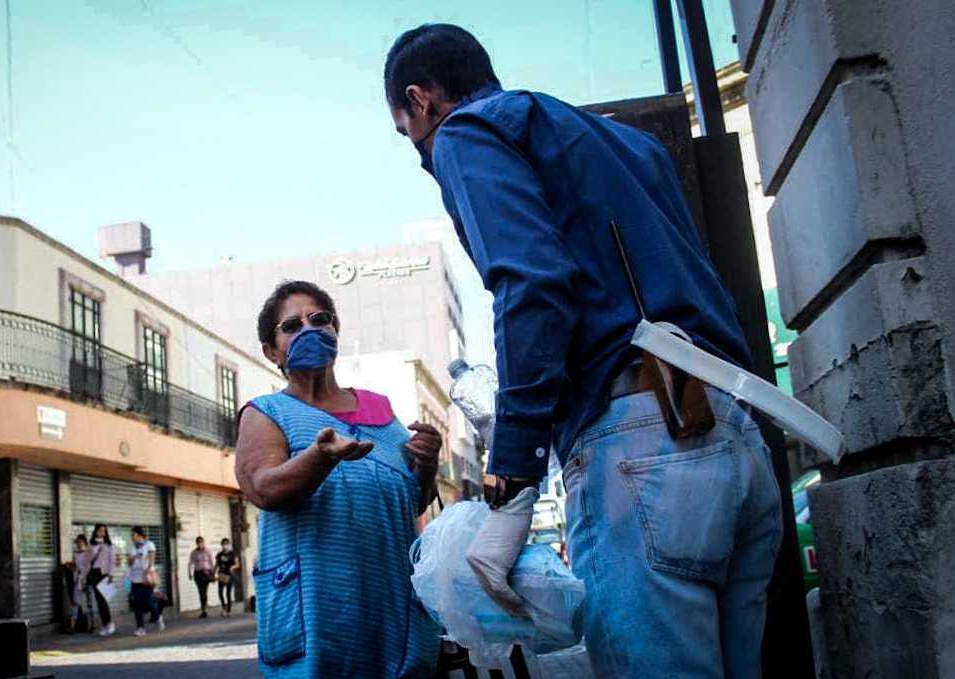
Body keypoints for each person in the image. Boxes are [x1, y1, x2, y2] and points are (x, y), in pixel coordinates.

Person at [385, 24, 783, 679]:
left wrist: (511, 479)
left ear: (421, 99)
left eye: (407, 133)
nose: (420, 152)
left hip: (641, 444)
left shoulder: (467, 132)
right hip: (735, 436)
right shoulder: (630, 146)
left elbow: (534, 283)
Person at [236, 280, 442, 678]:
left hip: (393, 603)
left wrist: (428, 463)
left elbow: (410, 502)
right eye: (292, 326)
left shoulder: (380, 408)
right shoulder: (266, 412)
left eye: (319, 319)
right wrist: (320, 457)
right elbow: (262, 489)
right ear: (270, 351)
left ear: (335, 330)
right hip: (316, 608)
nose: (309, 330)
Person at [127, 526, 164, 636]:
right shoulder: (131, 547)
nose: (132, 537)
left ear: (139, 535)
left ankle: (157, 616)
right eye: (131, 535)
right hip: (135, 579)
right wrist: (133, 558)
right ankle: (140, 628)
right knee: (137, 604)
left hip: (146, 577)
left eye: (133, 535)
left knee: (148, 602)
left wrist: (149, 569)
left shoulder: (149, 544)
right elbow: (129, 563)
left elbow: (152, 559)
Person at [86, 524, 117, 637]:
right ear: (95, 532)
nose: (102, 533)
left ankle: (109, 624)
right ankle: (106, 624)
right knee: (99, 601)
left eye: (104, 531)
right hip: (94, 573)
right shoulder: (91, 545)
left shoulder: (109, 546)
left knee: (103, 600)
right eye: (99, 530)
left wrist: (111, 575)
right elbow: (87, 562)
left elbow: (112, 562)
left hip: (103, 574)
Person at [71, 534, 95, 633]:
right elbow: (76, 567)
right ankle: (72, 626)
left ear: (84, 542)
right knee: (75, 602)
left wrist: (86, 578)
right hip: (78, 580)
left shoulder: (89, 553)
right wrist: (72, 568)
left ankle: (92, 625)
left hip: (88, 580)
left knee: (90, 604)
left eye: (79, 542)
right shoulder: (75, 554)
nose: (78, 544)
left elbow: (91, 567)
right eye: (77, 542)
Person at [188, 536, 215, 618]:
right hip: (198, 573)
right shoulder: (194, 552)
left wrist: (213, 574)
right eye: (198, 542)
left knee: (204, 591)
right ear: (196, 543)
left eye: (201, 542)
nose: (200, 544)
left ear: (204, 542)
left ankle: (204, 608)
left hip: (207, 573)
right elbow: (190, 563)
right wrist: (189, 573)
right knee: (201, 591)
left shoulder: (208, 551)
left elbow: (211, 563)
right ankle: (204, 609)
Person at [214, 538, 240, 617]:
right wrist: (214, 573)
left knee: (228, 593)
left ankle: (229, 610)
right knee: (220, 592)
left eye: (226, 544)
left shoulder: (233, 554)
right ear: (221, 545)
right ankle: (223, 607)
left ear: (229, 545)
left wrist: (232, 567)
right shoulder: (219, 554)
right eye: (223, 544)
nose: (225, 546)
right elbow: (216, 565)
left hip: (229, 575)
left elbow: (237, 564)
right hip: (221, 574)